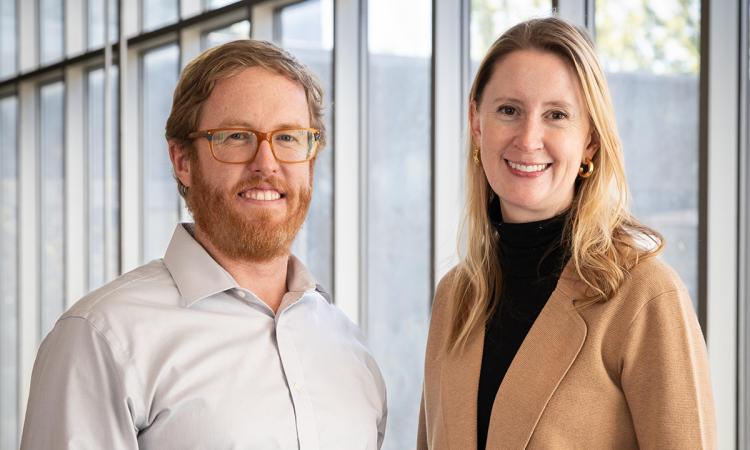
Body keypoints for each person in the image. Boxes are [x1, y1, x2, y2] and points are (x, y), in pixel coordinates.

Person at [21, 40, 386, 449]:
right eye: (235, 136)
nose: (266, 163)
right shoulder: (103, 339)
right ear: (182, 161)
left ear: (310, 159)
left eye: (288, 138)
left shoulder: (347, 346)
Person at [417, 17, 715, 449]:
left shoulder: (645, 296)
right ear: (476, 123)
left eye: (556, 115)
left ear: (590, 140)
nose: (529, 137)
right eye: (508, 110)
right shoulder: (454, 299)